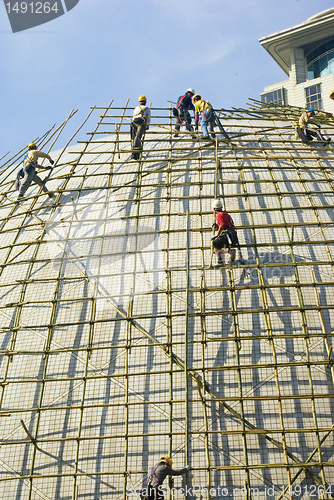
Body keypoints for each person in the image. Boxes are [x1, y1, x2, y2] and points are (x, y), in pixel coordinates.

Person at [211, 199, 239, 265]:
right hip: (231, 234)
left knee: (215, 244)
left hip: (226, 234)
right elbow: (225, 224)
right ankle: (220, 260)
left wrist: (217, 234)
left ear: (214, 209)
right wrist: (217, 227)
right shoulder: (225, 214)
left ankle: (229, 251)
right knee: (216, 248)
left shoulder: (219, 215)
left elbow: (222, 225)